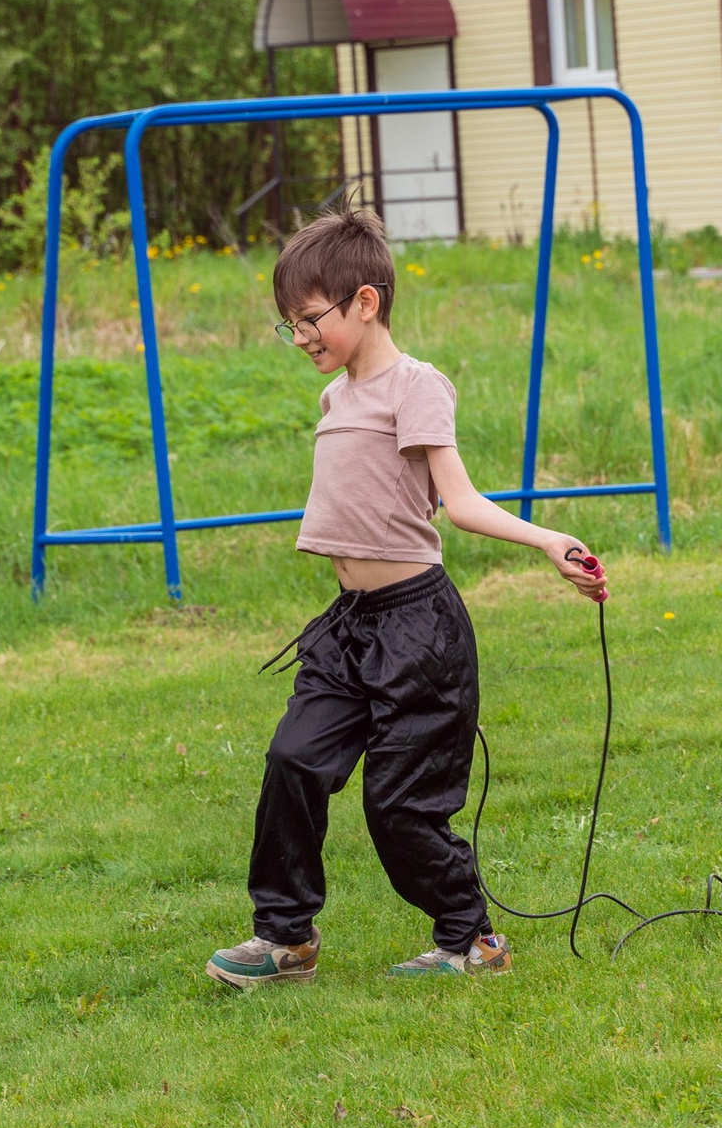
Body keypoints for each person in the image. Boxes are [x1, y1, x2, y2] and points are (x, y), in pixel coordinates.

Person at [207, 210, 608, 990]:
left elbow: (457, 501)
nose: (300, 337)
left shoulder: (416, 385)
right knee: (293, 759)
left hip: (418, 631)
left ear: (364, 301)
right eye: (287, 324)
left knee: (399, 806)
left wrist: (548, 541)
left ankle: (472, 940)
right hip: (349, 630)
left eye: (309, 319)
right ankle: (285, 939)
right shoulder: (334, 398)